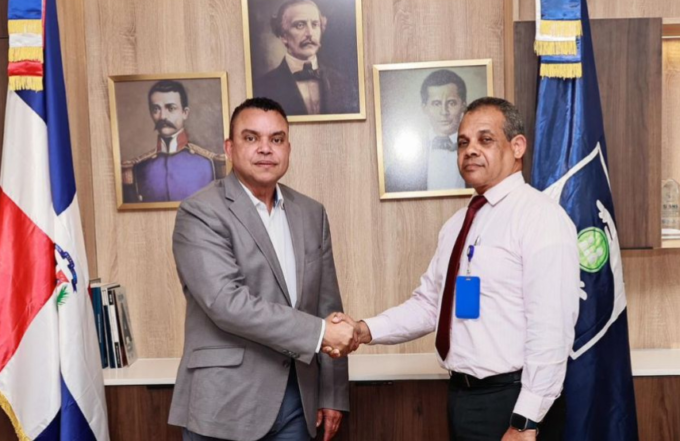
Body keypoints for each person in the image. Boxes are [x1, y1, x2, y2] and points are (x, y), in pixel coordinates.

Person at [335, 97, 581, 441]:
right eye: (463, 142)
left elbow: (551, 329)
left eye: (485, 139)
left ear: (517, 146)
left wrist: (526, 421)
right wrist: (363, 330)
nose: (470, 150)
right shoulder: (457, 225)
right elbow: (429, 305)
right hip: (462, 397)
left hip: (514, 403)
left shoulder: (541, 218)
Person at [168, 97, 353, 441]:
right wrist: (319, 332)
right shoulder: (200, 212)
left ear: (288, 149)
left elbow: (327, 305)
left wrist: (332, 392)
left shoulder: (311, 213)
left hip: (298, 401)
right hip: (225, 403)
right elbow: (227, 303)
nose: (265, 148)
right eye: (251, 138)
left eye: (276, 139)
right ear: (229, 148)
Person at [122, 80, 227, 203]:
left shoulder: (210, 163)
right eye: (156, 109)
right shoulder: (138, 168)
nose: (162, 117)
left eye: (171, 108)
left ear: (185, 113)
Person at [253, 0, 359, 116]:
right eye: (300, 25)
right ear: (283, 36)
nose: (310, 33)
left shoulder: (344, 84)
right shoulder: (262, 87)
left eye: (315, 24)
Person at [385, 69, 467, 193]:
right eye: (436, 103)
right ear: (424, 108)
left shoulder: (481, 153)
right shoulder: (399, 166)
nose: (444, 112)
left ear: (463, 106)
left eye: (451, 103)